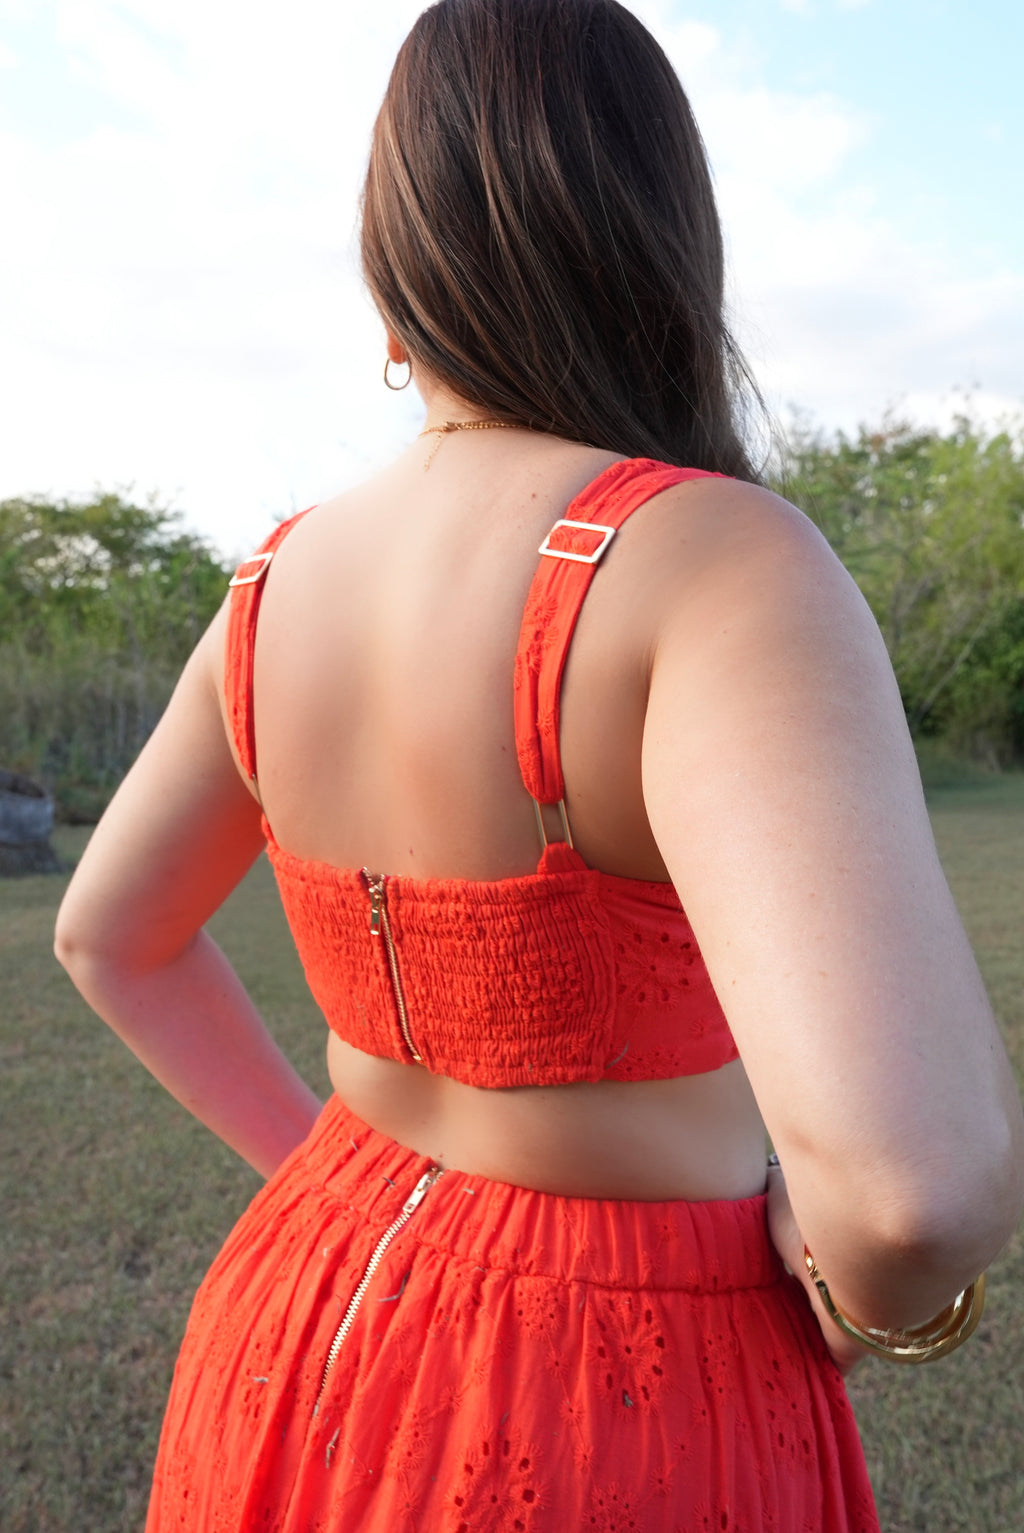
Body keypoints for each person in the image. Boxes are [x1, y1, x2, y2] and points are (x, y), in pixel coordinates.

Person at [55, 1, 1023, 1528]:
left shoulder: (268, 591)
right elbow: (919, 1191)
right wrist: (860, 1304)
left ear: (396, 290)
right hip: (627, 1387)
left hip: (298, 1318)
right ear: (664, 254)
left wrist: (317, 1169)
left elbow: (110, 932)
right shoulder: (715, 564)